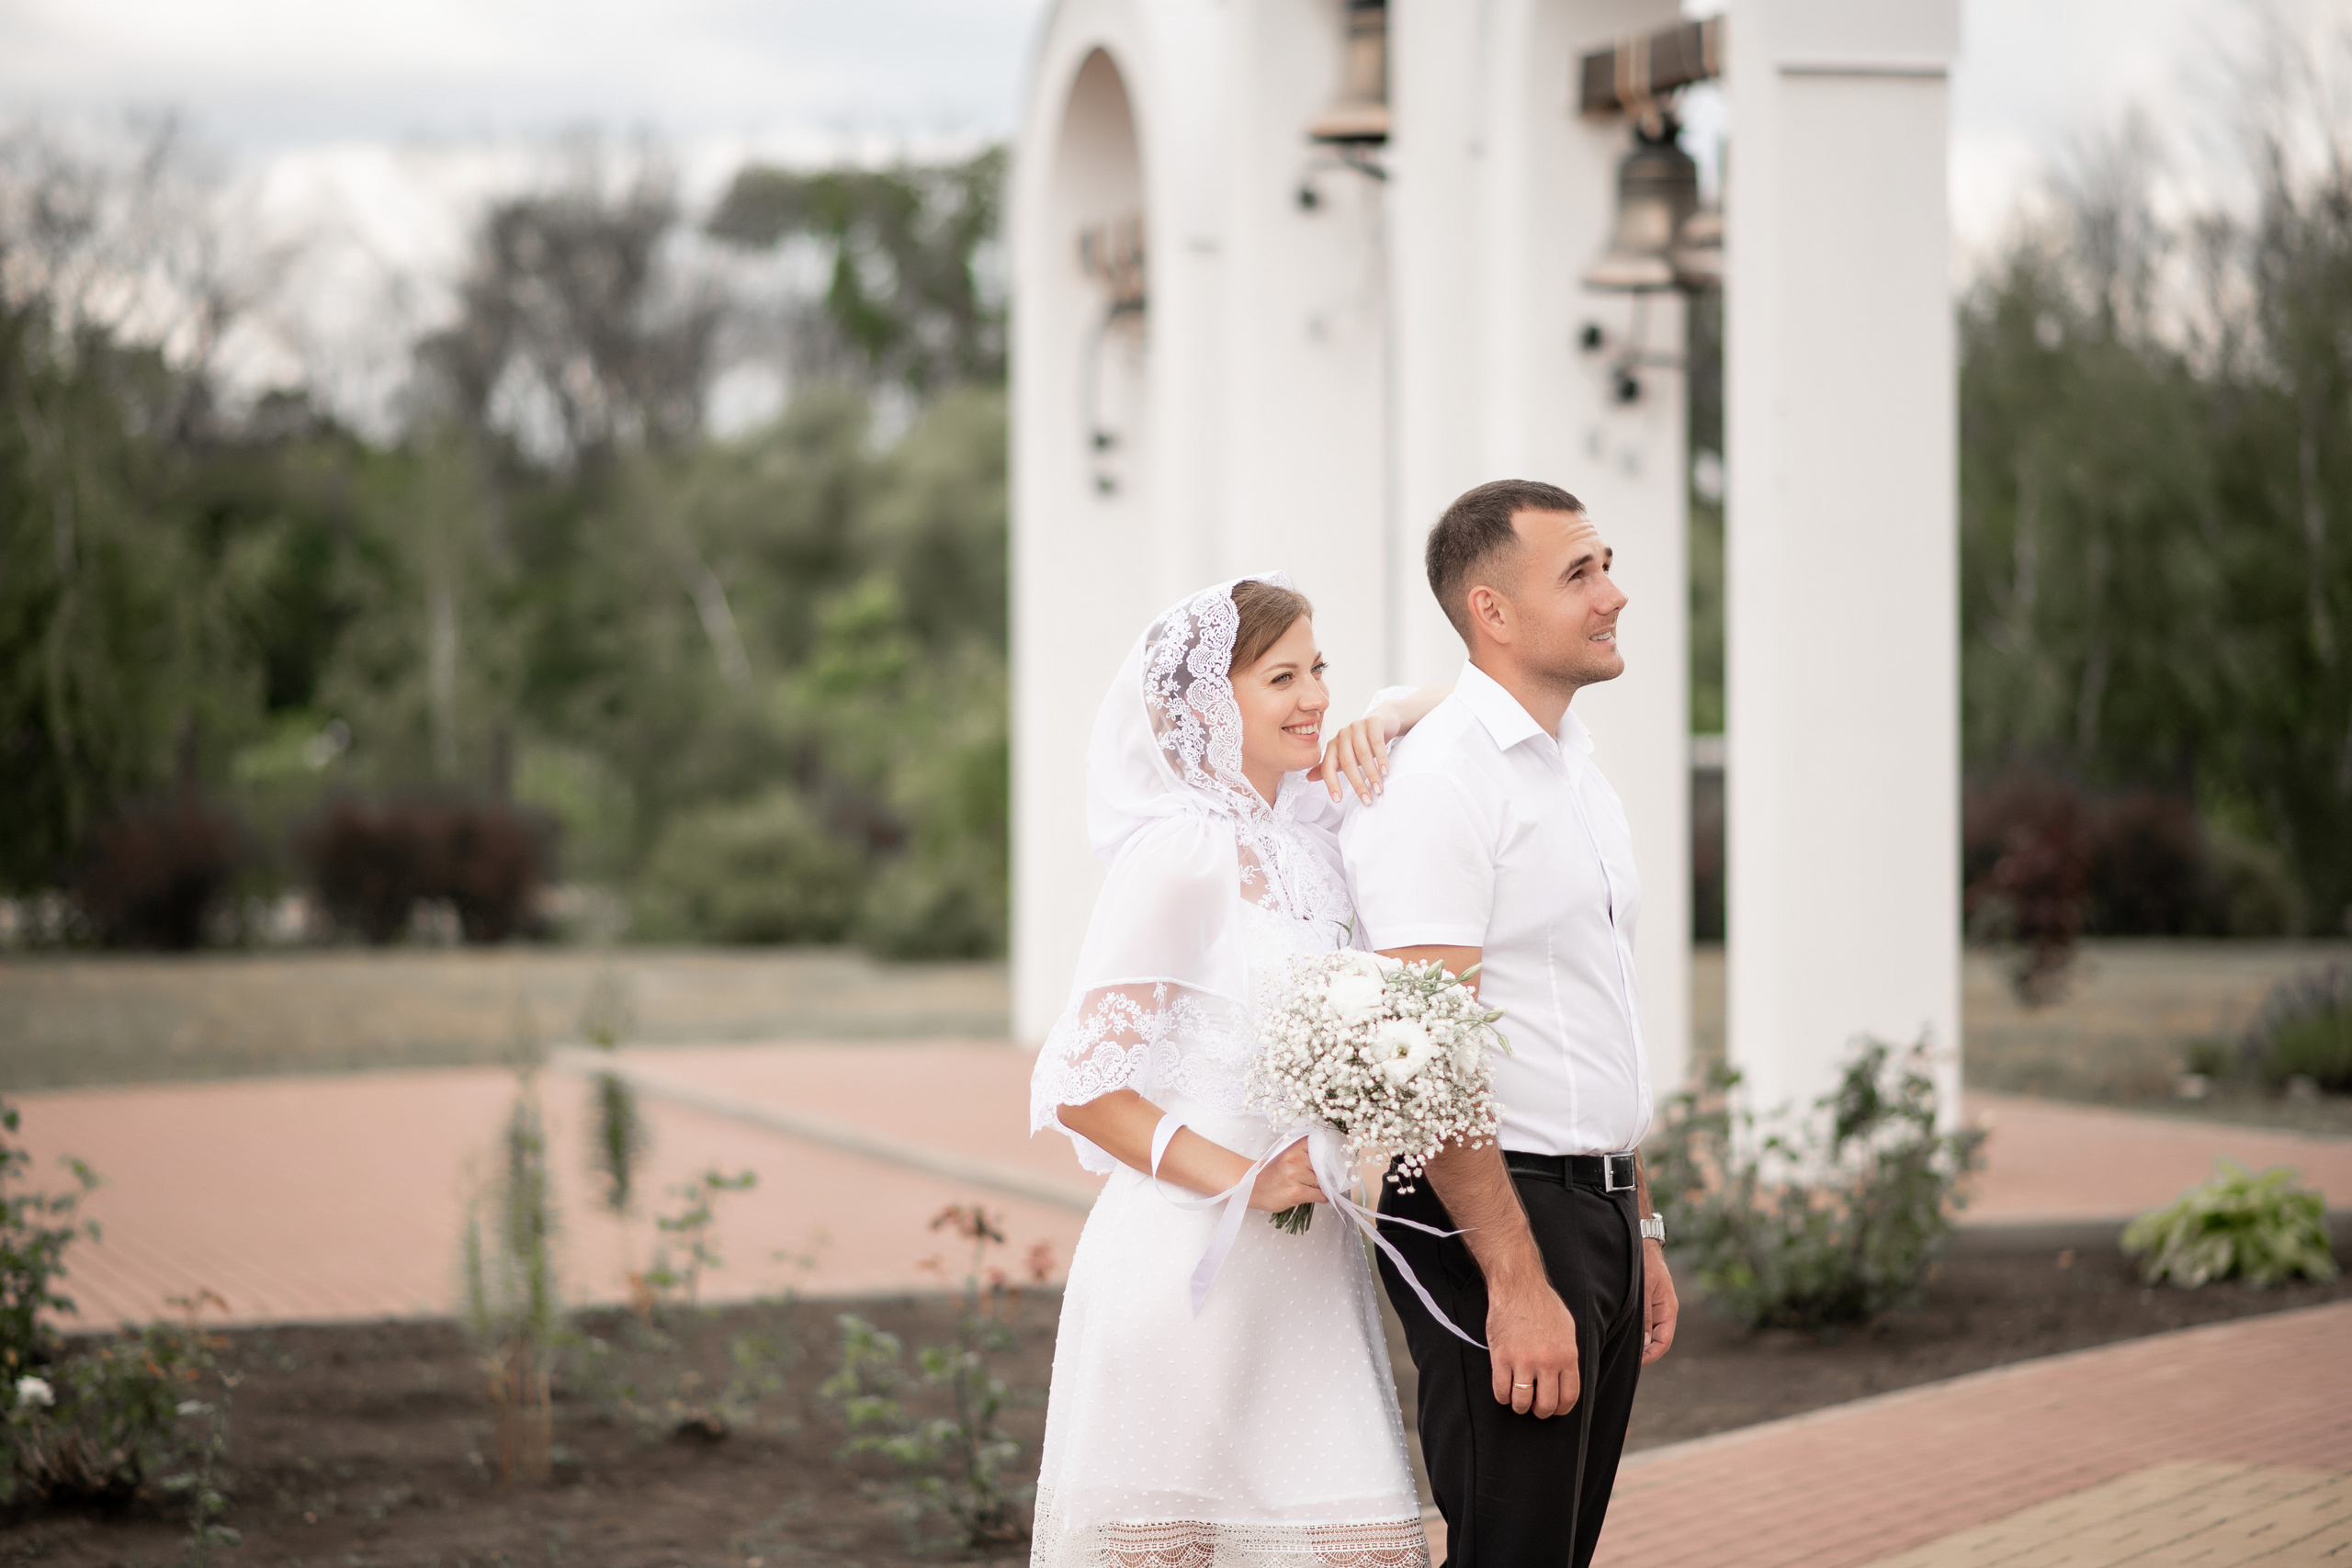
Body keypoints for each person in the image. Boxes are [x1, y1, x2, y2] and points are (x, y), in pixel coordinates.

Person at [1026, 572, 1448, 1568]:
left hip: (1309, 1275)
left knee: (1360, 1547)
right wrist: (1247, 1180)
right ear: (1211, 705)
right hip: (1187, 1266)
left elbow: (1481, 703)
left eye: (1319, 670)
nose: (1314, 698)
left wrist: (1386, 713)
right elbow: (1082, 1087)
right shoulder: (1176, 854)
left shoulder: (1313, 837)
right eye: (1280, 678)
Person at [1336, 479, 1680, 1568]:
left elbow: (1596, 1007)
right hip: (1497, 1215)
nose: (1614, 594)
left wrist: (1643, 1223)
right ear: (1491, 611)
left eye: (1607, 564)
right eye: (1579, 573)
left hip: (1594, 1212)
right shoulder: (1438, 783)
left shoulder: (1572, 772)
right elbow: (1423, 1057)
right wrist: (1516, 1280)